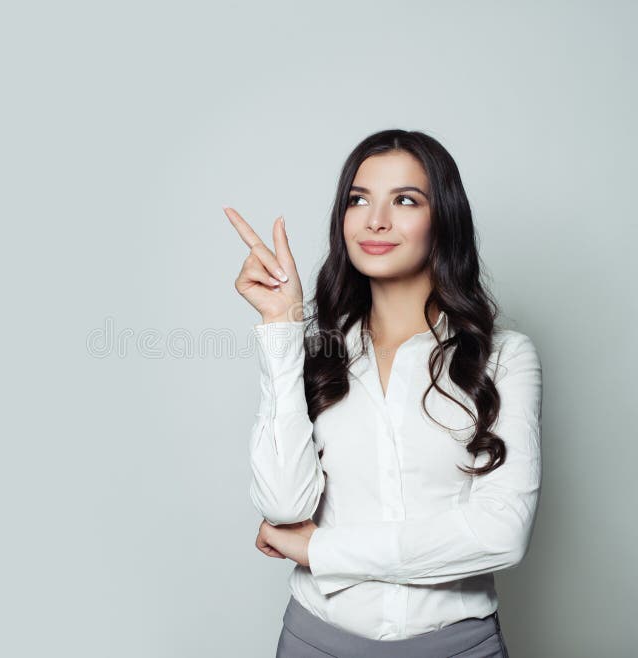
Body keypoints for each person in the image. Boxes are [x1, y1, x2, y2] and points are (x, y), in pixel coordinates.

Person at [223, 129, 542, 657]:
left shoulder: (505, 358)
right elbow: (283, 505)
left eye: (405, 200)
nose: (376, 220)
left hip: (457, 647)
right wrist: (281, 327)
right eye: (359, 199)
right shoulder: (316, 352)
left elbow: (500, 535)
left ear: (444, 220)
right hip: (313, 642)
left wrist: (322, 549)